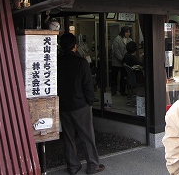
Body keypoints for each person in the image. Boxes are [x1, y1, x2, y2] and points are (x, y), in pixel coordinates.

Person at [57, 33, 105, 175]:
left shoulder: (57, 62)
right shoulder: (81, 62)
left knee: (68, 137)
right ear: (75, 46)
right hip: (80, 105)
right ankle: (93, 165)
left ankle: (73, 166)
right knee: (87, 136)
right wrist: (90, 101)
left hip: (64, 105)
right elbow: (88, 85)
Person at [111, 26, 132, 96]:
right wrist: (122, 58)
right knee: (114, 77)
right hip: (116, 61)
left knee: (123, 77)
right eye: (126, 32)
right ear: (123, 32)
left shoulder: (130, 40)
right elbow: (116, 51)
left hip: (124, 62)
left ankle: (122, 91)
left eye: (129, 32)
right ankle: (113, 91)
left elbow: (130, 50)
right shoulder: (117, 39)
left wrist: (125, 59)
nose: (128, 33)